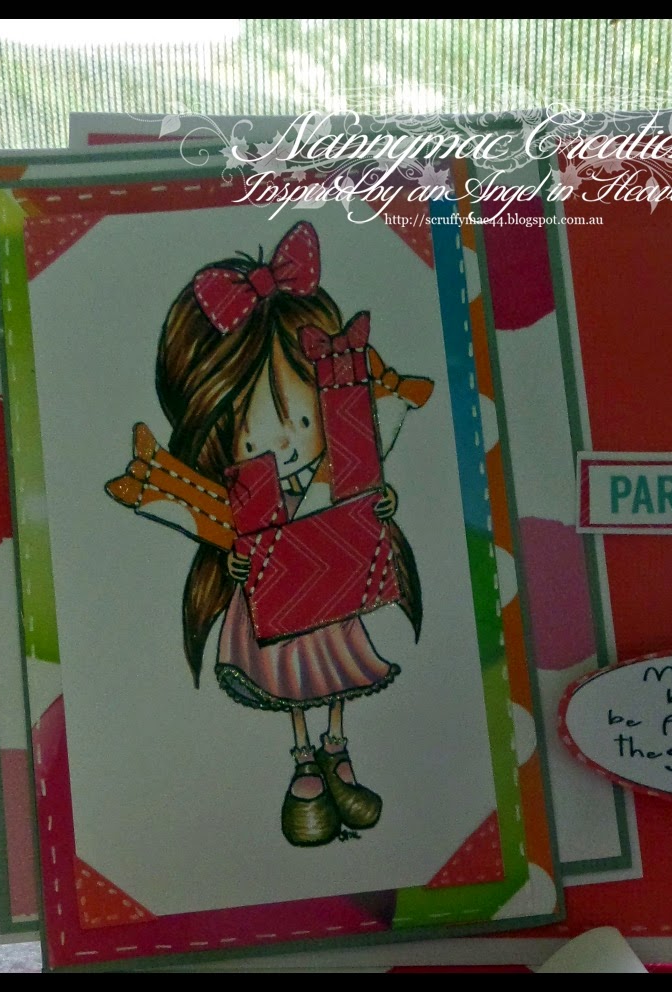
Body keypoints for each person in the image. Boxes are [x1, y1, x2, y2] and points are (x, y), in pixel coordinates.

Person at [153, 220, 433, 846]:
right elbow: (228, 537)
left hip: (332, 592)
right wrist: (236, 564)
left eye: (304, 418)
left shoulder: (341, 470)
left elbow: (364, 506)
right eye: (256, 430)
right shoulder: (244, 495)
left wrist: (380, 505)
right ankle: (305, 761)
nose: (285, 441)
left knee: (336, 671)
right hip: (274, 602)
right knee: (292, 680)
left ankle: (337, 750)